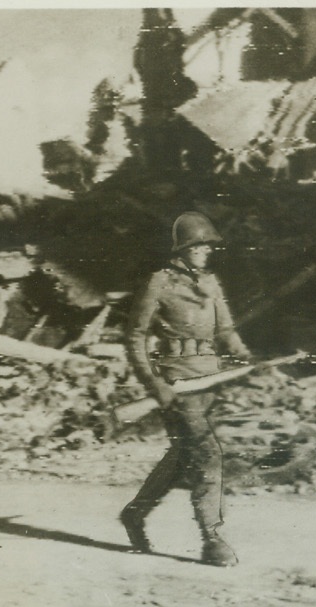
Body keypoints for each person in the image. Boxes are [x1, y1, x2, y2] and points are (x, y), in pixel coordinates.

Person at [120, 212, 253, 567]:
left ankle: (135, 513)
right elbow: (134, 338)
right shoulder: (159, 283)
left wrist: (244, 356)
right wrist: (154, 384)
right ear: (183, 249)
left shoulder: (210, 282)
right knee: (208, 454)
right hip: (177, 383)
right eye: (201, 245)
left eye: (209, 245)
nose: (208, 250)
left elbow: (225, 330)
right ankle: (212, 539)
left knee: (182, 455)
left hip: (209, 380)